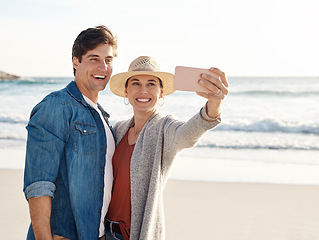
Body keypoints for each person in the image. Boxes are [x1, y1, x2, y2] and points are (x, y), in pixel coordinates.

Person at [105, 56, 229, 240]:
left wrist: (214, 104)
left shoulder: (165, 127)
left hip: (136, 234)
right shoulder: (118, 129)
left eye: (151, 84)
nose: (143, 90)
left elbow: (187, 135)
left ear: (161, 92)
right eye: (136, 83)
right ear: (126, 91)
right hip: (105, 232)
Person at [23, 25, 118, 240]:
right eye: (94, 58)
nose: (103, 67)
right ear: (76, 61)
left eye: (108, 60)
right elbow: (39, 185)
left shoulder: (102, 117)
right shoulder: (56, 106)